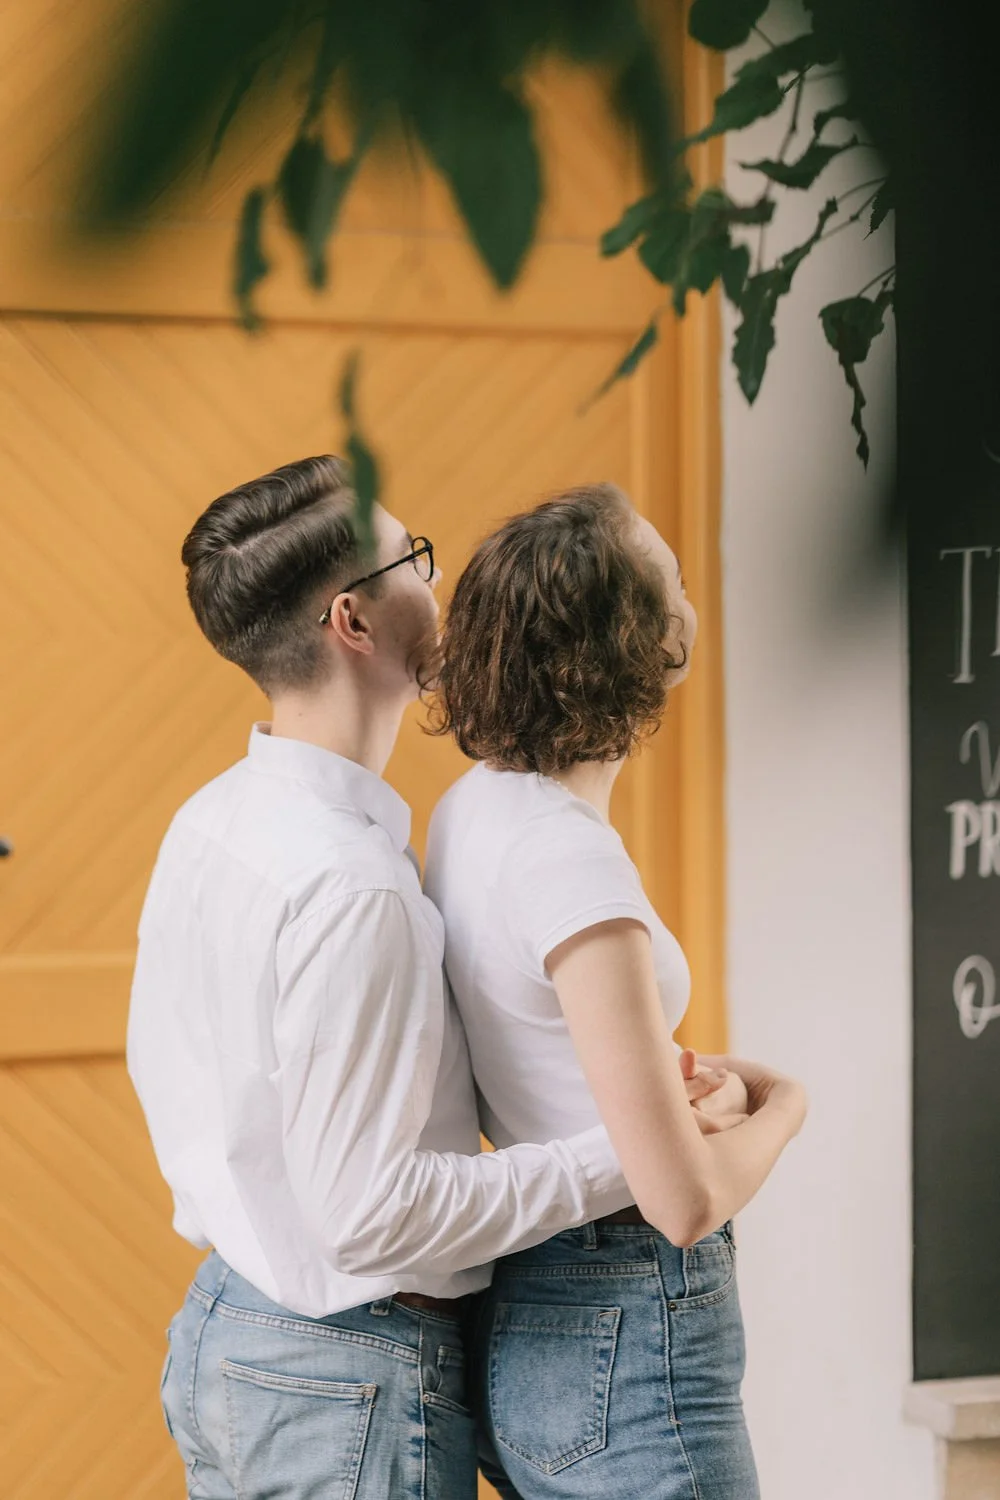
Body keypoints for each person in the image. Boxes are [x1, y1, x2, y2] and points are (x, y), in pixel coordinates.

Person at [128, 457, 728, 1500]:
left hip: (228, 1327)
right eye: (417, 559)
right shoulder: (353, 885)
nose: (439, 582)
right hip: (339, 1374)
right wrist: (631, 1151)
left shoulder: (215, 819)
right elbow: (373, 1216)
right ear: (353, 621)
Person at [424, 482, 808, 1499]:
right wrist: (783, 1107)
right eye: (672, 575)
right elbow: (681, 1201)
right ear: (646, 645)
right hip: (625, 1314)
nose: (689, 588)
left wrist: (703, 1091)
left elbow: (555, 1055)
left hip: (538, 1309)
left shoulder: (475, 809)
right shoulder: (566, 861)